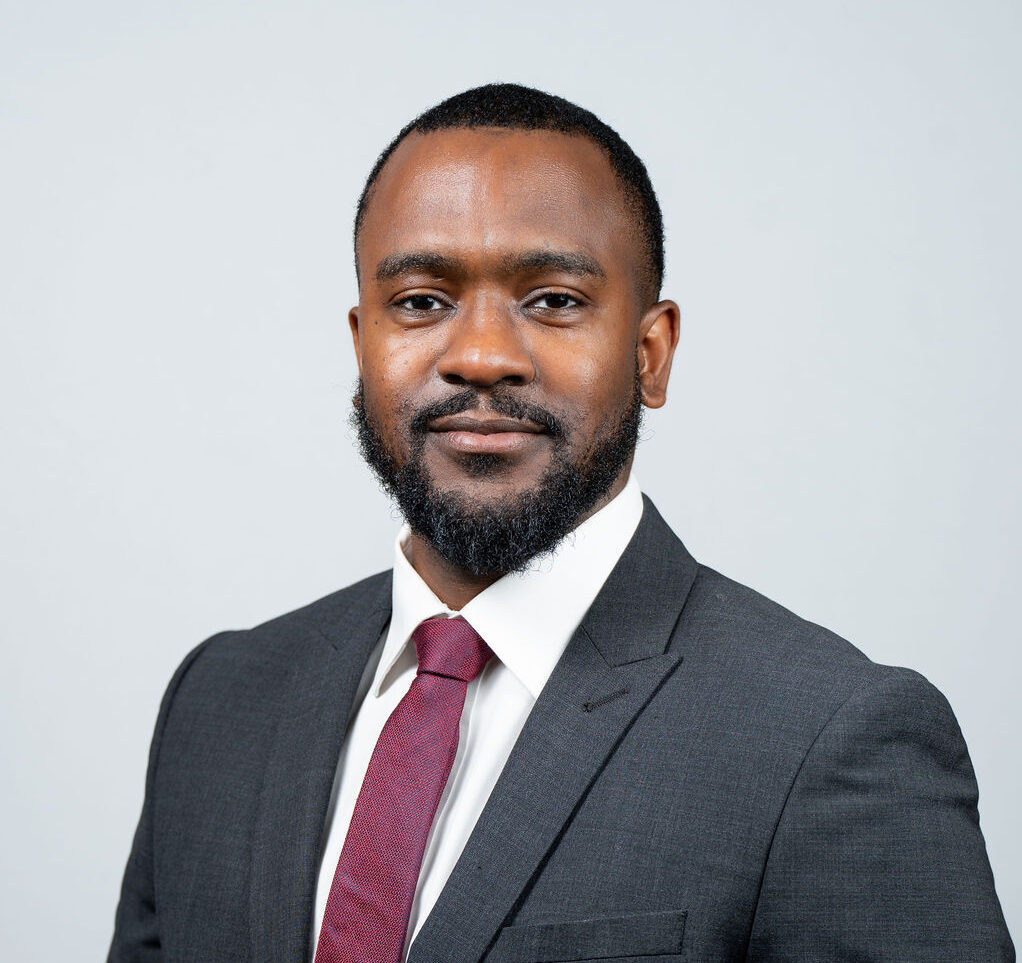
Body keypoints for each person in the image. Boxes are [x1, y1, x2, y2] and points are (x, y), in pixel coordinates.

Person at [108, 83, 1014, 963]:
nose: (480, 356)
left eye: (554, 300)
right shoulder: (219, 701)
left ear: (651, 354)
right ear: (361, 345)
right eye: (420, 301)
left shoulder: (830, 737)